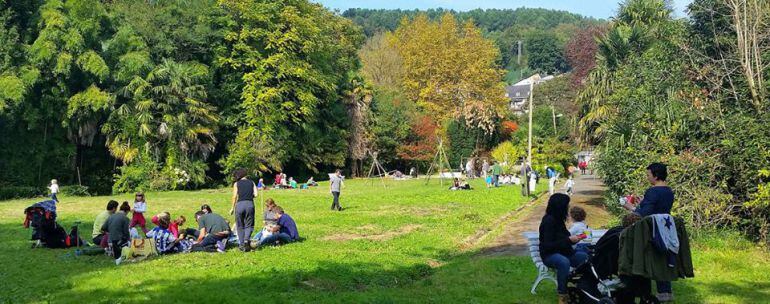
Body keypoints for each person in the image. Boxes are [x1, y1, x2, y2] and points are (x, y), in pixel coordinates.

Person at [621, 163, 675, 302]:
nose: (647, 178)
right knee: (660, 259)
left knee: (647, 259)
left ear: (656, 176)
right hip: (664, 229)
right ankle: (665, 291)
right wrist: (643, 203)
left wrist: (631, 207)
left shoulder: (653, 191)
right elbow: (657, 207)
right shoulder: (668, 191)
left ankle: (639, 289)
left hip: (651, 229)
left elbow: (643, 214)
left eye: (648, 175)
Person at [539, 193, 588, 304]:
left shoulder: (559, 220)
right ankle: (563, 293)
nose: (568, 208)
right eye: (566, 205)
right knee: (563, 262)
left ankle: (584, 286)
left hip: (565, 252)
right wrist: (569, 240)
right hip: (550, 255)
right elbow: (548, 245)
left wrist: (576, 239)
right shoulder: (548, 221)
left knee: (585, 257)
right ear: (560, 206)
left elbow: (565, 237)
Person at [230, 168, 257, 252]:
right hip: (249, 204)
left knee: (240, 225)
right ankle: (246, 240)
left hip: (240, 205)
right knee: (249, 224)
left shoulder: (236, 184)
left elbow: (234, 196)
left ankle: (241, 245)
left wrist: (232, 208)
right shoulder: (252, 182)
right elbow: (256, 194)